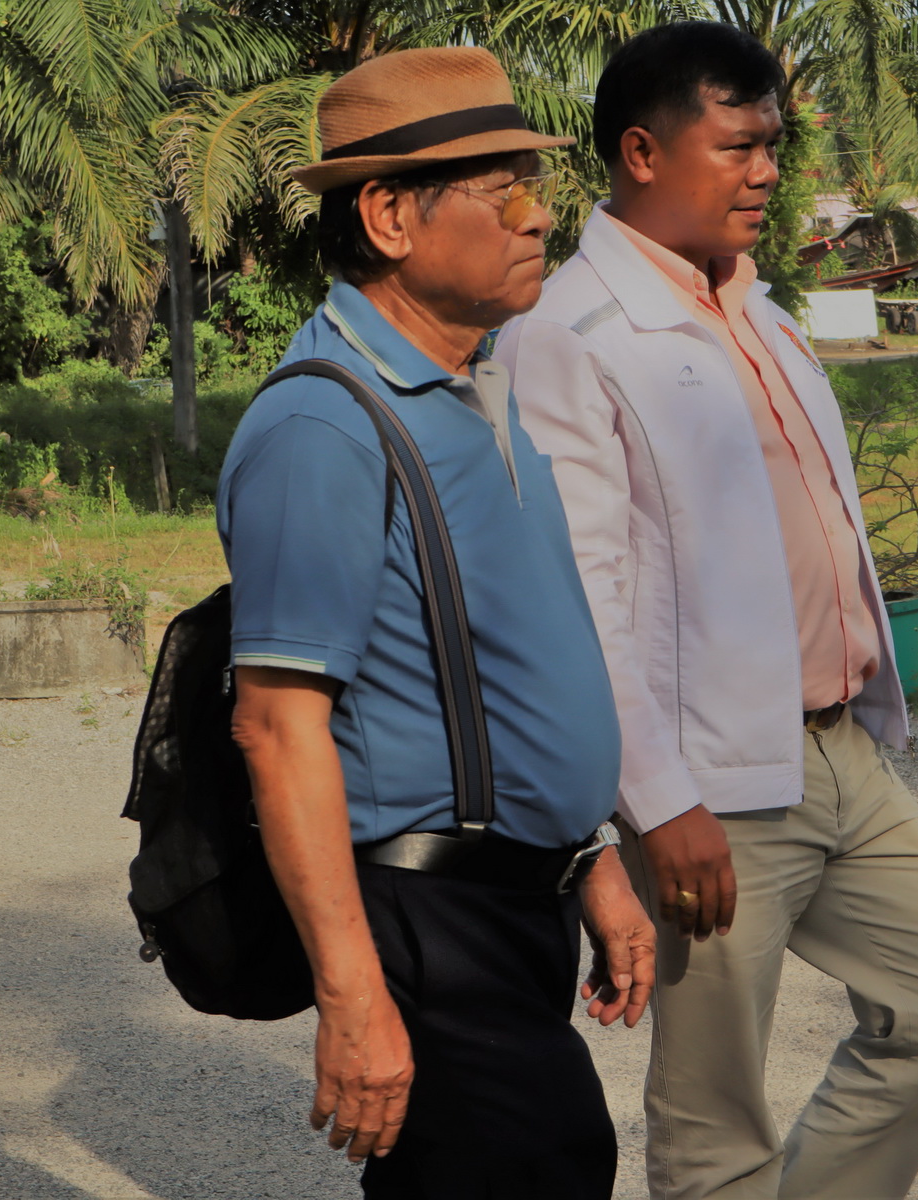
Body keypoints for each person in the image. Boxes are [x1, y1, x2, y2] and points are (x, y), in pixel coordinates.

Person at [494, 22, 918, 1200]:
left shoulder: (759, 311)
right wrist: (658, 804)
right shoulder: (569, 335)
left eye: (773, 145)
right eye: (738, 146)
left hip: (836, 746)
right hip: (709, 784)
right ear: (641, 152)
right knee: (716, 1113)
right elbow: (580, 602)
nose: (767, 171)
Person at [218, 47, 654, 1200]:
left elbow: (511, 664)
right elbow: (277, 727)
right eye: (503, 191)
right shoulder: (323, 427)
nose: (539, 215)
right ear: (389, 217)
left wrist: (591, 858)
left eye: (534, 185)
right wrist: (354, 996)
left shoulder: (479, 387)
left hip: (515, 902)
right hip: (428, 918)